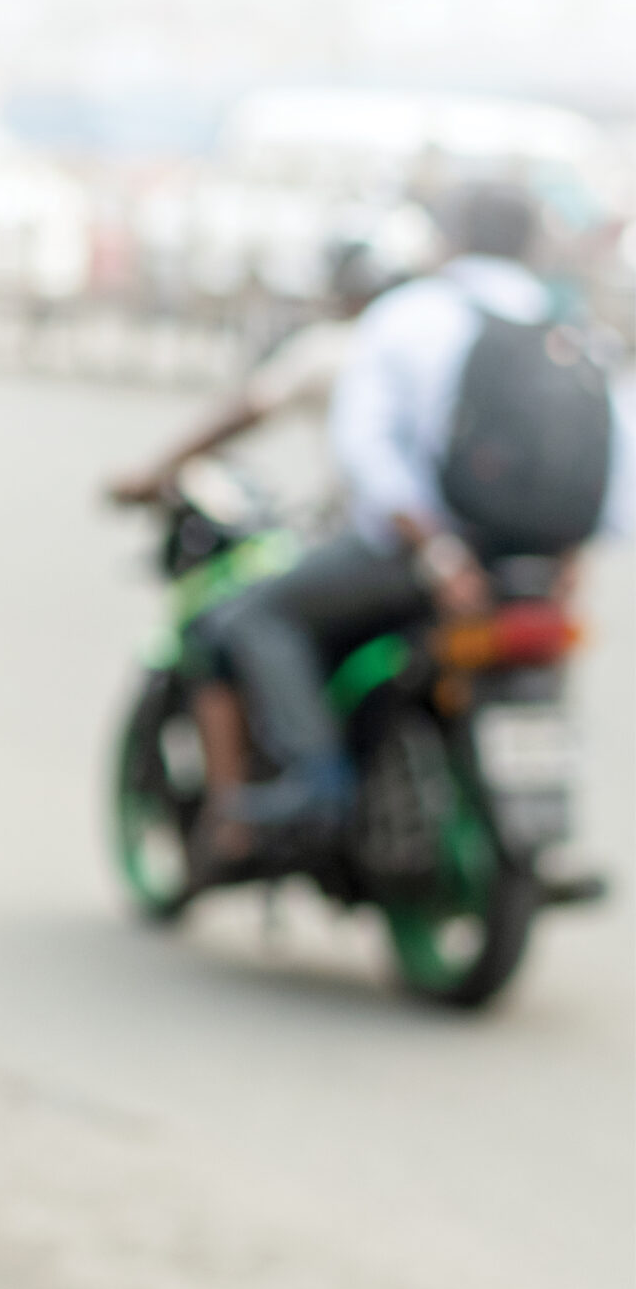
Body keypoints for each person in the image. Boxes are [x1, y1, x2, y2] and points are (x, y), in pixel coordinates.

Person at [190, 181, 631, 859]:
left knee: (253, 617)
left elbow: (368, 451)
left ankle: (315, 781)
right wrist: (572, 560)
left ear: (450, 238)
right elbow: (613, 462)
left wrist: (439, 556)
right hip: (535, 573)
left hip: (420, 562)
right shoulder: (573, 330)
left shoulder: (414, 315)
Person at [106, 233, 400, 514]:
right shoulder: (401, 341)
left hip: (374, 522)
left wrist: (156, 471)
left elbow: (248, 407)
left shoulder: (331, 348)